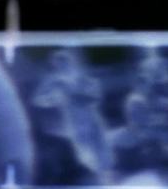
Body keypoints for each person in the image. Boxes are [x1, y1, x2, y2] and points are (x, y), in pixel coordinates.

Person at [31, 49, 110, 181]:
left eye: (64, 62)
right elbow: (37, 100)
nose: (61, 66)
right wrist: (52, 96)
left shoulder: (85, 79)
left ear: (71, 63)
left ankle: (104, 177)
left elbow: (94, 98)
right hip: (75, 125)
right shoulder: (56, 83)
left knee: (101, 153)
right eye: (57, 65)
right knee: (85, 156)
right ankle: (96, 178)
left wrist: (68, 92)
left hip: (92, 121)